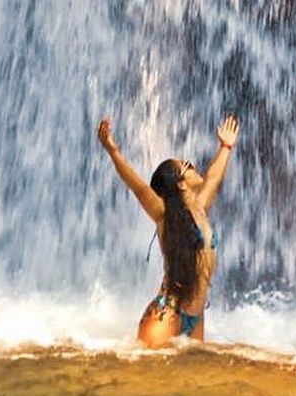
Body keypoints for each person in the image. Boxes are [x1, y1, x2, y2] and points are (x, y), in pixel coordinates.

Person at [97, 113, 239, 347]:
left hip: (196, 314)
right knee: (147, 376)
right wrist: (114, 152)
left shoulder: (200, 207)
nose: (195, 168)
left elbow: (214, 177)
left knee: (193, 381)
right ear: (180, 182)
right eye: (188, 166)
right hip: (166, 315)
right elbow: (139, 187)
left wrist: (225, 147)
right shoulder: (164, 214)